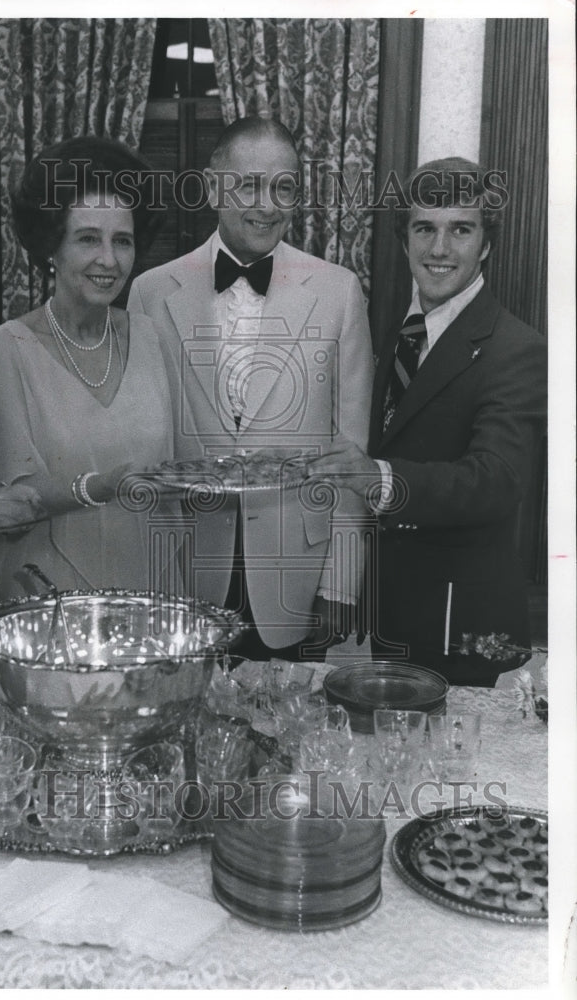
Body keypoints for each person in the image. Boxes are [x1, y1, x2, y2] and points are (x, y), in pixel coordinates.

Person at [128, 116, 374, 659]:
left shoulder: (338, 292)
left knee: (291, 732)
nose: (267, 205)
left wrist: (340, 582)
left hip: (299, 574)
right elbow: (147, 443)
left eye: (283, 187)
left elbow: (352, 453)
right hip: (185, 571)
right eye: (249, 185)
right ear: (214, 186)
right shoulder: (150, 292)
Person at [307, 157, 547, 685]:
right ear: (404, 240)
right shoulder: (397, 333)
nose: (439, 249)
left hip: (465, 629)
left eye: (460, 230)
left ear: (485, 244)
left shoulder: (518, 348)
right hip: (394, 619)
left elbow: (497, 481)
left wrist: (381, 477)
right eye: (425, 229)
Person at [0, 136, 180, 597]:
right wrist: (104, 485)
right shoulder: (6, 348)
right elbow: (22, 495)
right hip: (46, 598)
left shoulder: (153, 337)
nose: (108, 260)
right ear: (51, 247)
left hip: (148, 593)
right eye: (88, 238)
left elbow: (178, 470)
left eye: (122, 241)